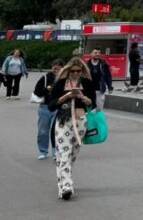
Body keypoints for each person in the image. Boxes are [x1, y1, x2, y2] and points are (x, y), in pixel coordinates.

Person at [49, 57, 96, 200]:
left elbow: (92, 103)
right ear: (68, 71)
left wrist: (83, 98)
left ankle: (62, 183)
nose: (76, 73)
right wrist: (67, 95)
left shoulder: (87, 83)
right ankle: (67, 186)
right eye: (73, 71)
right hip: (64, 121)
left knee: (73, 155)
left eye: (78, 71)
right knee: (64, 153)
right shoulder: (60, 84)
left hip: (80, 122)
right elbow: (51, 105)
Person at [34, 59, 64, 160]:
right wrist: (47, 89)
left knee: (56, 131)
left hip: (57, 108)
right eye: (54, 67)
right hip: (45, 107)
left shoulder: (65, 79)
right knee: (43, 131)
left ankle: (55, 151)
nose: (56, 69)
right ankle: (43, 151)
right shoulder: (46, 78)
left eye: (58, 68)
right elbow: (37, 91)